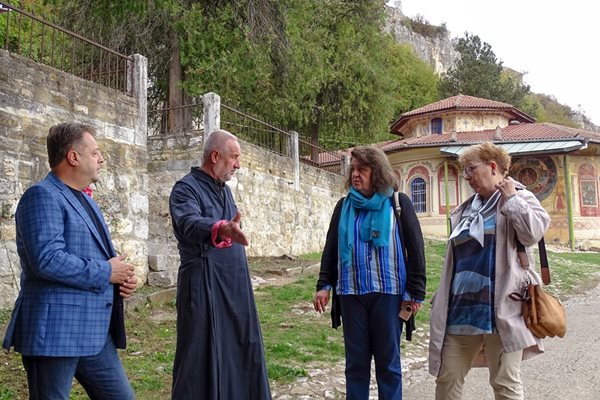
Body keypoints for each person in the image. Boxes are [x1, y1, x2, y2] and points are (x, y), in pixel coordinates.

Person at [2, 122, 138, 399]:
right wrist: (106, 272)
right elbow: (47, 259)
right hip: (55, 333)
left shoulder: (88, 202)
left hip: (95, 333)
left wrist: (121, 278)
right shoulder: (42, 196)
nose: (101, 159)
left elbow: (103, 260)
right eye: (95, 152)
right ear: (73, 157)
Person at [428, 141, 551, 400]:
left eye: (471, 169)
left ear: (492, 167)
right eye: (465, 171)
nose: (467, 176)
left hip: (503, 308)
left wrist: (512, 200)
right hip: (460, 309)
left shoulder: (520, 196)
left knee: (505, 383)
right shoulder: (465, 209)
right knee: (447, 378)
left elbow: (532, 234)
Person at [313, 145, 426, 400]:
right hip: (351, 294)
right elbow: (331, 248)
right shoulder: (343, 207)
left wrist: (415, 293)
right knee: (355, 365)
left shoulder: (398, 204)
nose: (355, 175)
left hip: (389, 295)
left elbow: (416, 251)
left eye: (362, 169)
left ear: (377, 172)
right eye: (353, 169)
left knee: (388, 365)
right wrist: (324, 285)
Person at [169, 129, 271, 399]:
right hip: (204, 285)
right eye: (234, 157)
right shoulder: (185, 189)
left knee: (240, 348)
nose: (238, 164)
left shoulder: (224, 191)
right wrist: (221, 228)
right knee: (200, 355)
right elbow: (187, 223)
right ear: (215, 156)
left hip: (234, 285)